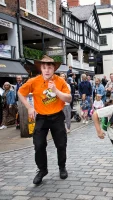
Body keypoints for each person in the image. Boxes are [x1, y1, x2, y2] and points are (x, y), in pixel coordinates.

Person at [18, 55, 71, 185]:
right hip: (41, 117)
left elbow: (68, 98)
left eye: (49, 67)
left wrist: (55, 90)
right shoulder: (34, 81)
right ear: (41, 69)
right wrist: (29, 107)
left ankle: (62, 167)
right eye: (44, 67)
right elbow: (20, 92)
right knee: (39, 144)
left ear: (54, 69)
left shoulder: (60, 81)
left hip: (57, 116)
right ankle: (42, 170)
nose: (47, 70)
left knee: (61, 143)